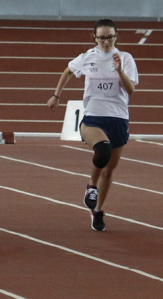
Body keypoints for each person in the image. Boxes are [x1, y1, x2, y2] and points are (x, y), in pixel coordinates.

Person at [47, 19, 139, 231]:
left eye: (110, 37)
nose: (106, 42)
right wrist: (56, 95)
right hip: (93, 117)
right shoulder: (86, 57)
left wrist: (119, 71)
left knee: (109, 171)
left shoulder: (125, 58)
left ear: (116, 37)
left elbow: (131, 90)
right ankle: (91, 186)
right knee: (103, 150)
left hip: (118, 118)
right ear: (94, 38)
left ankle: (97, 210)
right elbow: (68, 71)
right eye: (102, 38)